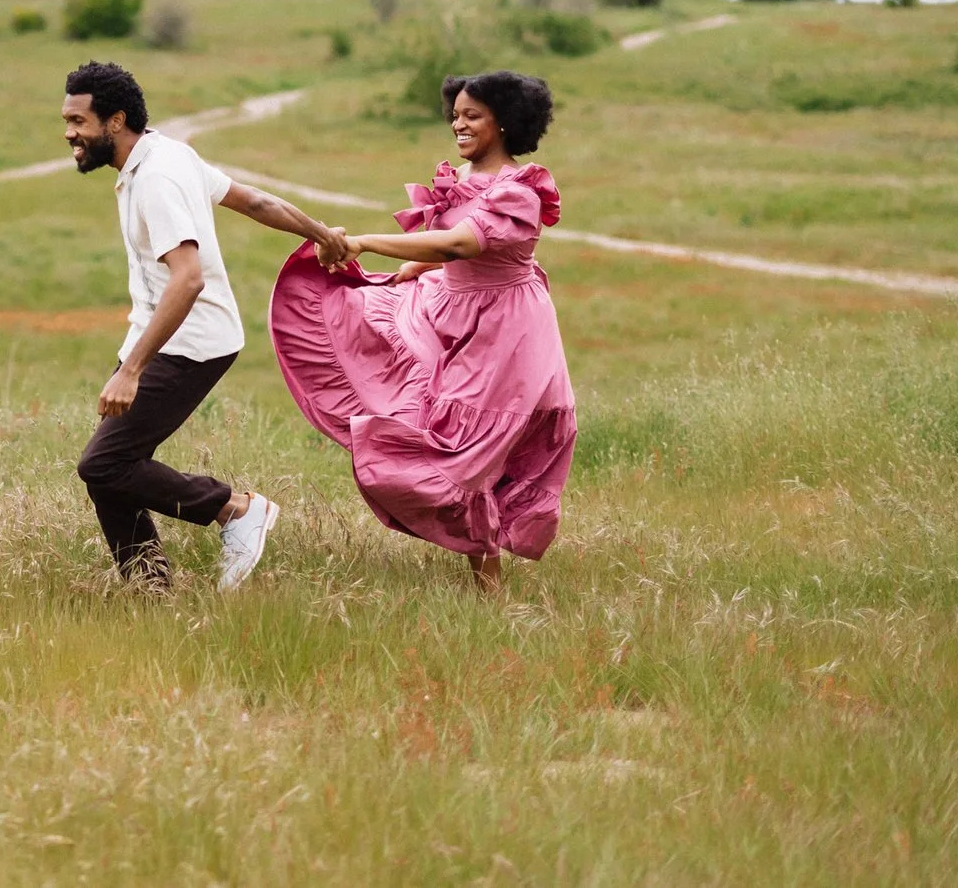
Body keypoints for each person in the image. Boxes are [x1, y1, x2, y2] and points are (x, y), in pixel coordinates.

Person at [266, 69, 574, 590]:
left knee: (469, 448)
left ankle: (490, 587)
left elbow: (459, 245)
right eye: (455, 114)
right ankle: (483, 575)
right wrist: (415, 267)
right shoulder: (460, 181)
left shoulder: (517, 191)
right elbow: (442, 251)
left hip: (504, 331)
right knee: (384, 360)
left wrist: (364, 241)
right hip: (448, 311)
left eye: (472, 115)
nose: (459, 123)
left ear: (504, 122)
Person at [60, 61, 353, 592]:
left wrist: (132, 371)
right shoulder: (166, 152)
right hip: (168, 334)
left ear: (115, 120)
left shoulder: (157, 177)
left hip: (188, 342)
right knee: (113, 468)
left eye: (79, 121)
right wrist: (320, 233)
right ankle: (149, 588)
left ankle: (235, 511)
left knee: (103, 464)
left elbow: (188, 279)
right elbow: (255, 201)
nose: (69, 133)